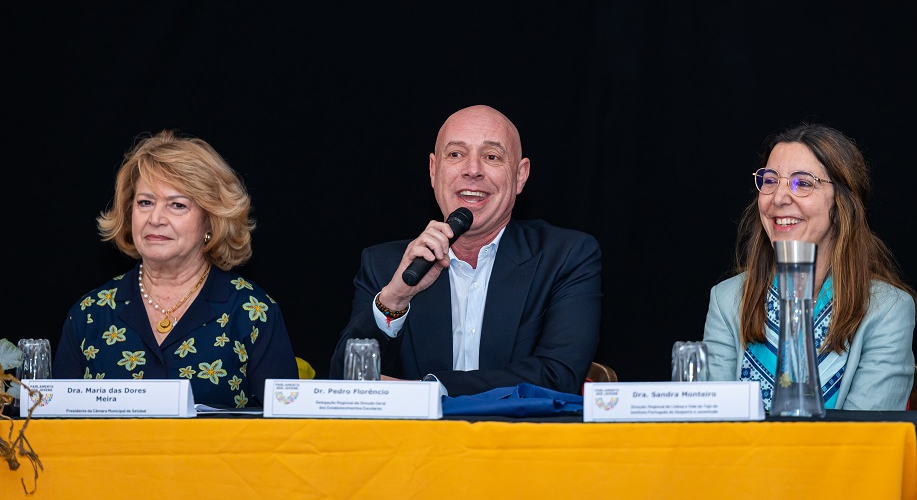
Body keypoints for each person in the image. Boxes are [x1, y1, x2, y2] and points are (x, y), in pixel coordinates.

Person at [328, 104, 602, 397]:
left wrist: (430, 392)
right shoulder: (386, 264)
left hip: (517, 437)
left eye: (492, 157)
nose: (472, 170)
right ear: (434, 170)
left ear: (520, 176)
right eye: (456, 154)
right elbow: (346, 382)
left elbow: (558, 376)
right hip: (413, 442)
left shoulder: (566, 256)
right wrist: (395, 299)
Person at [53, 129, 298, 408]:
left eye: (177, 205)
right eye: (145, 202)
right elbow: (54, 429)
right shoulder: (89, 314)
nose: (156, 218)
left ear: (210, 220)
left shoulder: (253, 312)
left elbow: (284, 433)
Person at [702, 123, 917, 411]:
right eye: (769, 181)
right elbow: (710, 425)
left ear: (842, 202)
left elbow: (863, 439)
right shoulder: (726, 299)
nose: (778, 198)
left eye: (802, 183)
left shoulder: (888, 310)